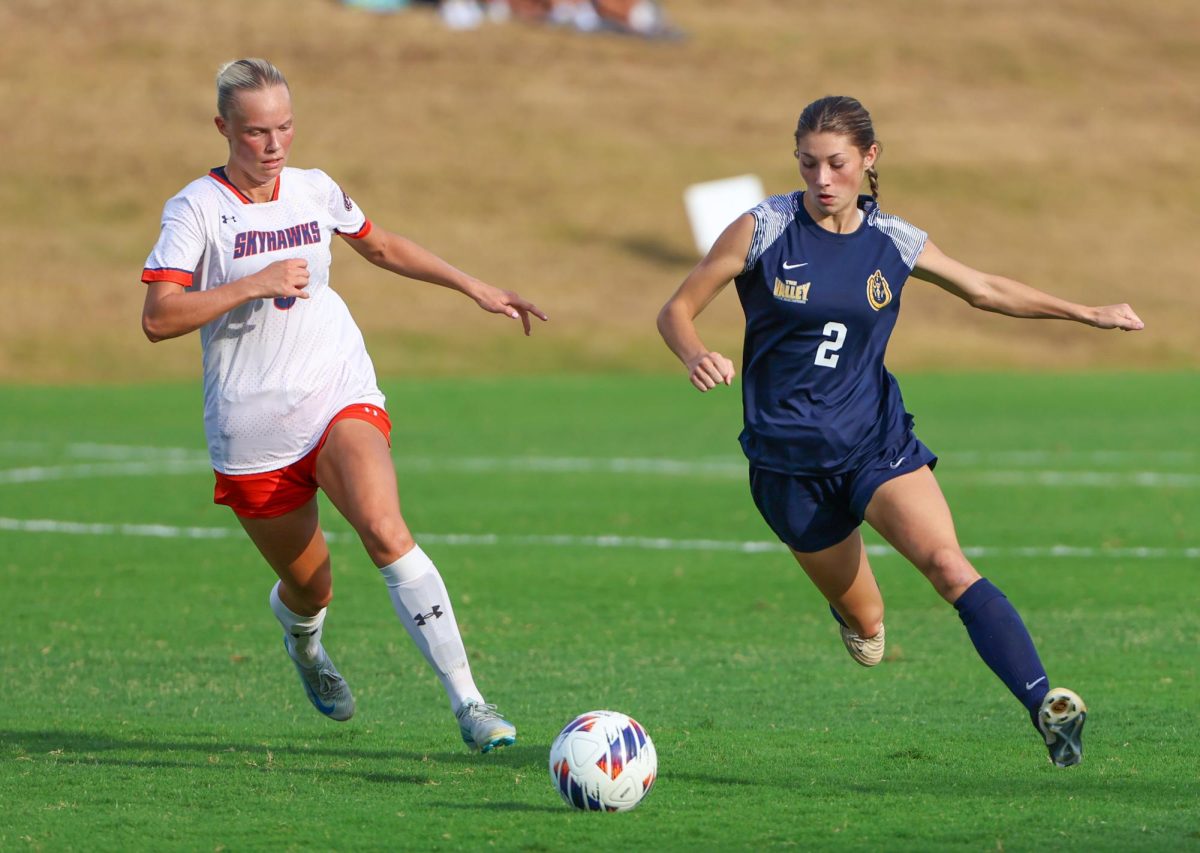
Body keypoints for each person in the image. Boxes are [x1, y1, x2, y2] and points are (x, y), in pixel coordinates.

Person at [656, 95, 1144, 767]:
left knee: (948, 565)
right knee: (870, 624)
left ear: (868, 159)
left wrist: (1086, 312)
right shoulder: (763, 228)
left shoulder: (894, 240)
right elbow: (677, 308)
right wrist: (694, 352)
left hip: (874, 444)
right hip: (787, 468)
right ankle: (856, 615)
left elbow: (985, 289)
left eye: (835, 164)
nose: (821, 179)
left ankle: (1043, 705)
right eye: (808, 164)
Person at [140, 58, 547, 752]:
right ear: (223, 129)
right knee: (312, 588)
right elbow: (159, 317)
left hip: (336, 391)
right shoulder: (195, 211)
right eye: (256, 132)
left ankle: (470, 702)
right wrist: (252, 283)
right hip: (252, 429)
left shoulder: (314, 189)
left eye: (285, 127)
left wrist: (473, 285)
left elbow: (380, 245)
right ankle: (304, 644)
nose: (274, 145)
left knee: (385, 529)